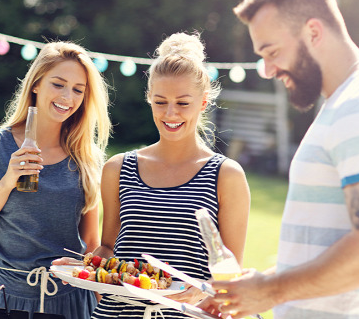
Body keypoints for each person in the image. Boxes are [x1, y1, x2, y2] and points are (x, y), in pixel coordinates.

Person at [204, 0, 359, 318]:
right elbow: (326, 246)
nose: (268, 70)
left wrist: (269, 291)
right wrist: (257, 286)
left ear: (314, 32)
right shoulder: (343, 105)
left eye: (272, 52)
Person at [89, 32, 251, 319]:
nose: (171, 113)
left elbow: (231, 273)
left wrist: (203, 289)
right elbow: (109, 247)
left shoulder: (226, 175)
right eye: (161, 101)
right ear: (149, 98)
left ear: (203, 102)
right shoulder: (118, 168)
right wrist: (86, 265)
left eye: (183, 103)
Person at [0, 41, 112, 318]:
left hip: (69, 301)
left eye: (78, 90)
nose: (68, 96)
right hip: (3, 301)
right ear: (36, 84)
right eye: (58, 84)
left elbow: (91, 243)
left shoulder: (87, 158)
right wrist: (7, 181)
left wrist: (101, 303)